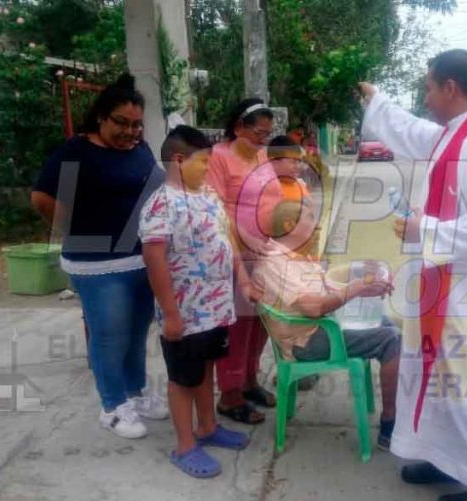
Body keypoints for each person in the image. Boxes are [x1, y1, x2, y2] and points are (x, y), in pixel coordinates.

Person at [358, 49, 467, 501]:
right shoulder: (455, 135)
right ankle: (448, 459)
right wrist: (378, 102)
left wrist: (424, 231)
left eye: (429, 87)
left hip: (466, 292)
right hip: (442, 284)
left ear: (451, 87)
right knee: (438, 380)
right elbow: (411, 132)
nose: (426, 97)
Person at [31, 74, 168, 440]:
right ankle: (111, 405)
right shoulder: (78, 152)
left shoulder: (140, 150)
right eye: (121, 123)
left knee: (137, 333)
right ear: (101, 118)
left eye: (136, 124)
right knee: (110, 335)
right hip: (96, 263)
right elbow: (42, 198)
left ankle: (135, 394)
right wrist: (72, 228)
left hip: (140, 258)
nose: (130, 131)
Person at [140, 126, 257, 478]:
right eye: (203, 162)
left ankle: (208, 427)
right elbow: (154, 260)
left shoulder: (207, 194)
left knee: (206, 370)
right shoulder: (161, 203)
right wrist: (171, 314)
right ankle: (185, 444)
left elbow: (227, 239)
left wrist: (245, 280)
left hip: (216, 309)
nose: (208, 168)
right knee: (182, 379)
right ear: (178, 159)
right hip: (185, 315)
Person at [254, 199, 401, 447]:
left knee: (383, 321)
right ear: (290, 224)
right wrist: (355, 289)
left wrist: (366, 287)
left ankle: (394, 414)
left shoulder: (294, 256)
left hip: (319, 328)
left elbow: (328, 289)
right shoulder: (276, 263)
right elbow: (313, 307)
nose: (317, 226)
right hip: (308, 341)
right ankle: (390, 424)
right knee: (391, 339)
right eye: (311, 219)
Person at [206, 98, 281, 424]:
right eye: (258, 133)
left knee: (259, 323)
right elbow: (218, 212)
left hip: (264, 255)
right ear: (238, 127)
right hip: (233, 256)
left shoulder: (261, 155)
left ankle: (249, 380)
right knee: (234, 327)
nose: (263, 139)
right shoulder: (219, 158)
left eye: (267, 133)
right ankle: (230, 394)